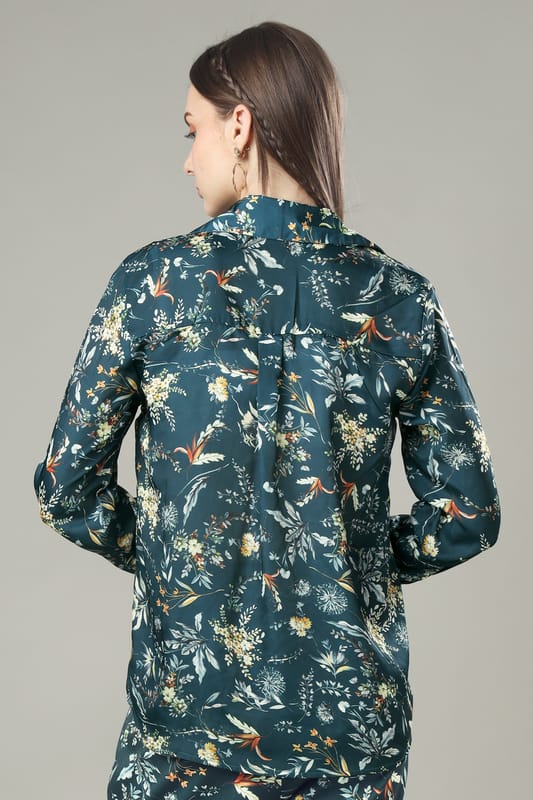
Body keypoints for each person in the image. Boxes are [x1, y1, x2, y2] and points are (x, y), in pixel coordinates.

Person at [33, 20, 501, 800]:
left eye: (193, 130)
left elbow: (65, 490)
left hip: (184, 734)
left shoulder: (154, 285)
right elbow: (467, 514)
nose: (188, 159)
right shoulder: (397, 297)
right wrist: (348, 567)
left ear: (239, 126)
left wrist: (183, 559)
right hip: (350, 744)